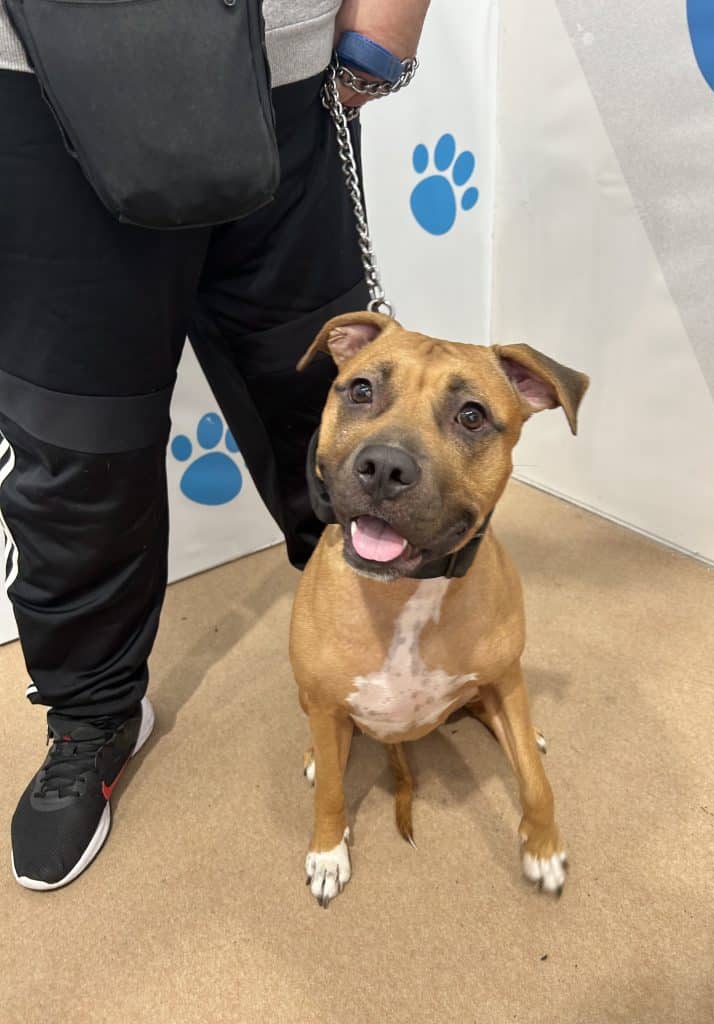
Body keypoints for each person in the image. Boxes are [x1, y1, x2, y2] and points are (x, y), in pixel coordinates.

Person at [0, 0, 431, 891]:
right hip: (39, 81)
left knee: (325, 401)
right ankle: (94, 715)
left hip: (288, 70)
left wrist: (387, 22)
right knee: (79, 445)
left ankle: (381, 644)